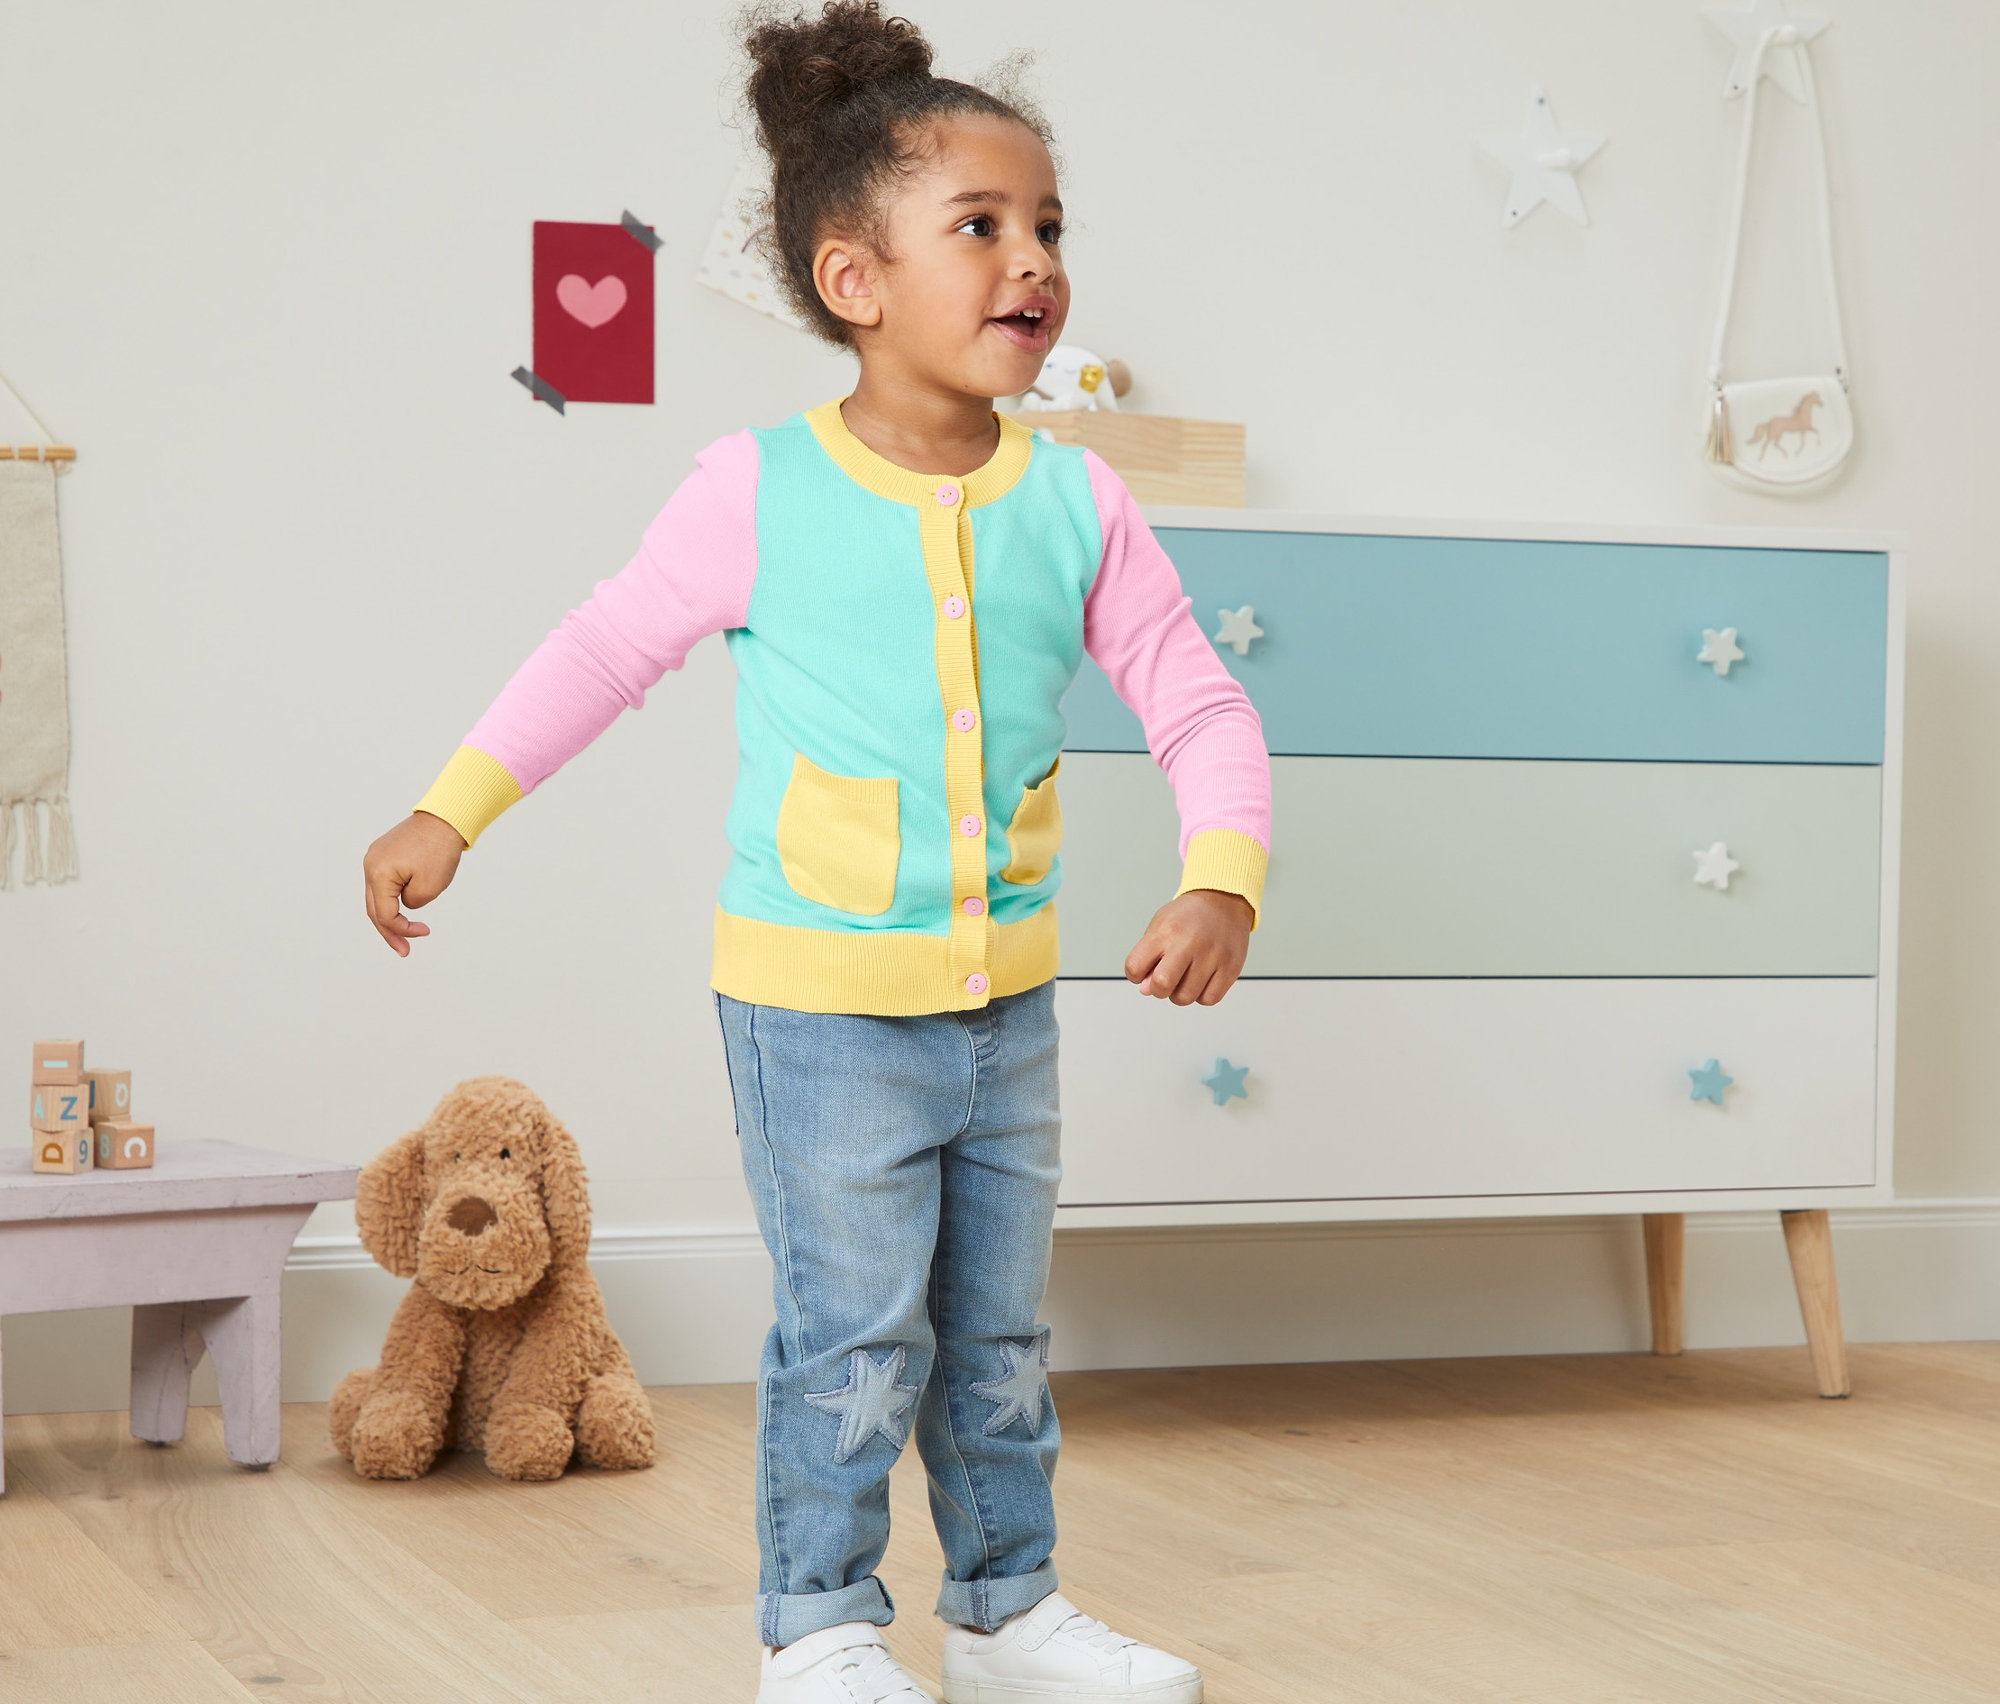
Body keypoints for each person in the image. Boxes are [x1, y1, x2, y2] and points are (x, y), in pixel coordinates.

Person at [361, 5, 1269, 1699]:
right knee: (854, 1337)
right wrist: (453, 805)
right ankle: (823, 1627)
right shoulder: (758, 487)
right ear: (855, 280)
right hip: (820, 1009)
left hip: (1005, 1009)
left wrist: (1223, 872)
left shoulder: (1078, 503)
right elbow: (603, 649)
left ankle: (1004, 1610)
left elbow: (1198, 700)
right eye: (982, 225)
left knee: (997, 1336)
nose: (1034, 259)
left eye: (1049, 224)